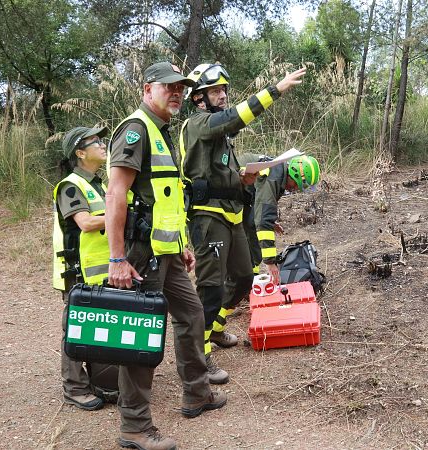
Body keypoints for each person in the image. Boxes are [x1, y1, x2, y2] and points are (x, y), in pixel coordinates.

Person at [105, 62, 225, 450]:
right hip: (140, 256)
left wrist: (182, 246)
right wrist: (117, 258)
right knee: (141, 337)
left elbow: (165, 201)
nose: (175, 92)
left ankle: (196, 393)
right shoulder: (136, 130)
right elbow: (116, 194)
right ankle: (135, 427)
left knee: (191, 316)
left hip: (168, 253)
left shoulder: (162, 132)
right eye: (167, 86)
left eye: (181, 87)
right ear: (147, 89)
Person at [179, 62, 306, 381]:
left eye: (224, 90)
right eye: (214, 91)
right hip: (208, 217)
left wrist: (243, 181)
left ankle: (215, 330)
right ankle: (200, 354)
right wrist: (275, 90)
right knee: (209, 287)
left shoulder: (220, 137)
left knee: (243, 277)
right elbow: (232, 117)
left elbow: (223, 174)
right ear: (198, 99)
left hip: (231, 213)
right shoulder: (198, 124)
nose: (222, 96)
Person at [52, 125, 110, 411]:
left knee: (98, 325)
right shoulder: (71, 185)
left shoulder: (99, 183)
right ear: (79, 152)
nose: (103, 144)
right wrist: (120, 213)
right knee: (76, 327)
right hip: (77, 270)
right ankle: (74, 388)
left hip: (98, 270)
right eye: (95, 141)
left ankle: (101, 380)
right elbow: (86, 223)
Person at [245, 154, 322, 285]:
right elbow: (263, 221)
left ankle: (251, 281)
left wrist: (271, 222)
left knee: (253, 227)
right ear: (295, 175)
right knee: (246, 237)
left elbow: (260, 206)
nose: (296, 189)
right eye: (298, 185)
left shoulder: (278, 172)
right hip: (223, 199)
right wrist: (270, 262)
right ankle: (245, 282)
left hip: (242, 200)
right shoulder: (273, 178)